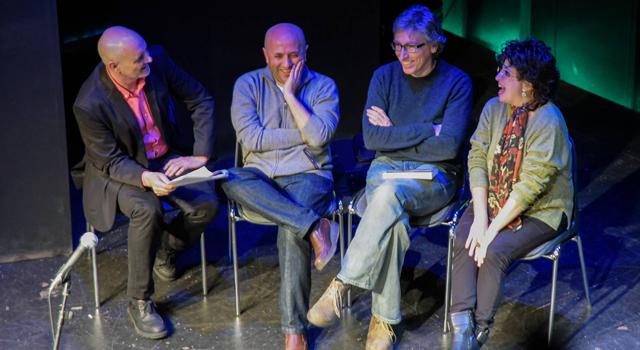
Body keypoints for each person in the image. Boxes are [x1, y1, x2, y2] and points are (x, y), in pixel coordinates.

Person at [306, 5, 472, 350]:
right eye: (397, 45)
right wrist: (428, 129)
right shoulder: (384, 76)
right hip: (385, 171)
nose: (402, 54)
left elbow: (450, 147)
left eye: (412, 46)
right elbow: (372, 140)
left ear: (434, 45)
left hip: (436, 177)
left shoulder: (457, 82)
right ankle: (382, 320)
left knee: (386, 198)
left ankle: (343, 282)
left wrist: (397, 134)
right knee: (390, 210)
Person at [72, 26, 219, 340]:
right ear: (115, 67)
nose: (149, 59)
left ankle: (166, 250)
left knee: (207, 205)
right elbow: (109, 160)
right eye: (140, 58)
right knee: (146, 209)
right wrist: (146, 178)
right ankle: (139, 300)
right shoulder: (89, 102)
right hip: (121, 170)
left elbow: (201, 100)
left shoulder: (159, 62)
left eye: (146, 52)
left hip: (165, 156)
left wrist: (199, 157)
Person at [220, 23, 340, 350]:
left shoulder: (323, 86)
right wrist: (303, 133)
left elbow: (319, 138)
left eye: (293, 54)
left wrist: (289, 94)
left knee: (290, 231)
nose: (286, 63)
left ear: (305, 52)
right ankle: (316, 226)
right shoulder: (247, 85)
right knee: (230, 177)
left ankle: (294, 332)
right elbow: (252, 139)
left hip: (308, 173)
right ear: (265, 55)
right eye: (278, 56)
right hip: (259, 177)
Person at [447, 38, 571, 349]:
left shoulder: (549, 121)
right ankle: (461, 327)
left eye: (506, 73)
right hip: (493, 200)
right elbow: (476, 157)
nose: (497, 78)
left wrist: (490, 230)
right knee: (465, 237)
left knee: (493, 251)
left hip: (541, 210)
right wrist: (478, 219)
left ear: (527, 85)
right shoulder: (494, 109)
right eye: (499, 71)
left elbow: (530, 188)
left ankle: (479, 330)